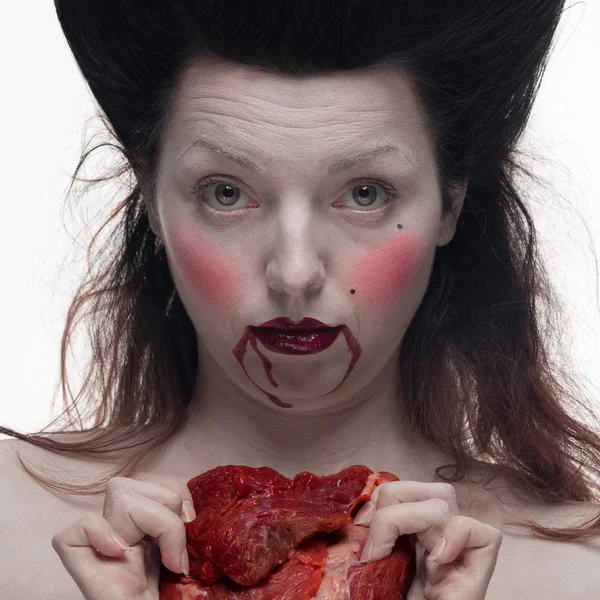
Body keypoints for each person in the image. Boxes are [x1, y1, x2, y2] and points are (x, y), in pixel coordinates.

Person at [1, 0, 600, 598]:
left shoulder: (575, 571)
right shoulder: (12, 536)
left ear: (450, 200)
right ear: (152, 195)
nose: (294, 273)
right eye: (227, 192)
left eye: (365, 194)